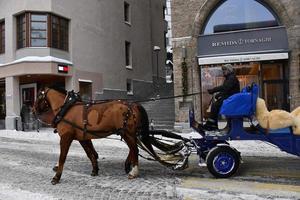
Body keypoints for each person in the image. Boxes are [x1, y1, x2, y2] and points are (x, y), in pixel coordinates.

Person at [203, 64, 240, 131]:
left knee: (215, 105)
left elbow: (225, 87)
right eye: (223, 70)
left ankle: (212, 124)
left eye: (224, 70)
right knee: (215, 104)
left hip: (231, 99)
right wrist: (219, 95)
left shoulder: (232, 78)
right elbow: (226, 89)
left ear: (229, 70)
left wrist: (213, 90)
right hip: (229, 98)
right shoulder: (229, 78)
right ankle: (212, 123)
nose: (223, 72)